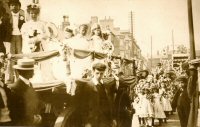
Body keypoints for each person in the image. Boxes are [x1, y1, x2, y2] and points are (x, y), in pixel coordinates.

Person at [74, 62, 117, 127]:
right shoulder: (88, 86)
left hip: (106, 121)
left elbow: (109, 103)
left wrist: (113, 119)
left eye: (101, 74)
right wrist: (86, 123)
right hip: (93, 121)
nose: (99, 76)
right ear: (93, 72)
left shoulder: (106, 85)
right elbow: (83, 106)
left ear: (104, 73)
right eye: (97, 73)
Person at [9, 58, 42, 126]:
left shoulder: (29, 84)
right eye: (31, 70)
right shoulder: (15, 88)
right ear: (23, 72)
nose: (33, 72)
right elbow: (15, 112)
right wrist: (32, 119)